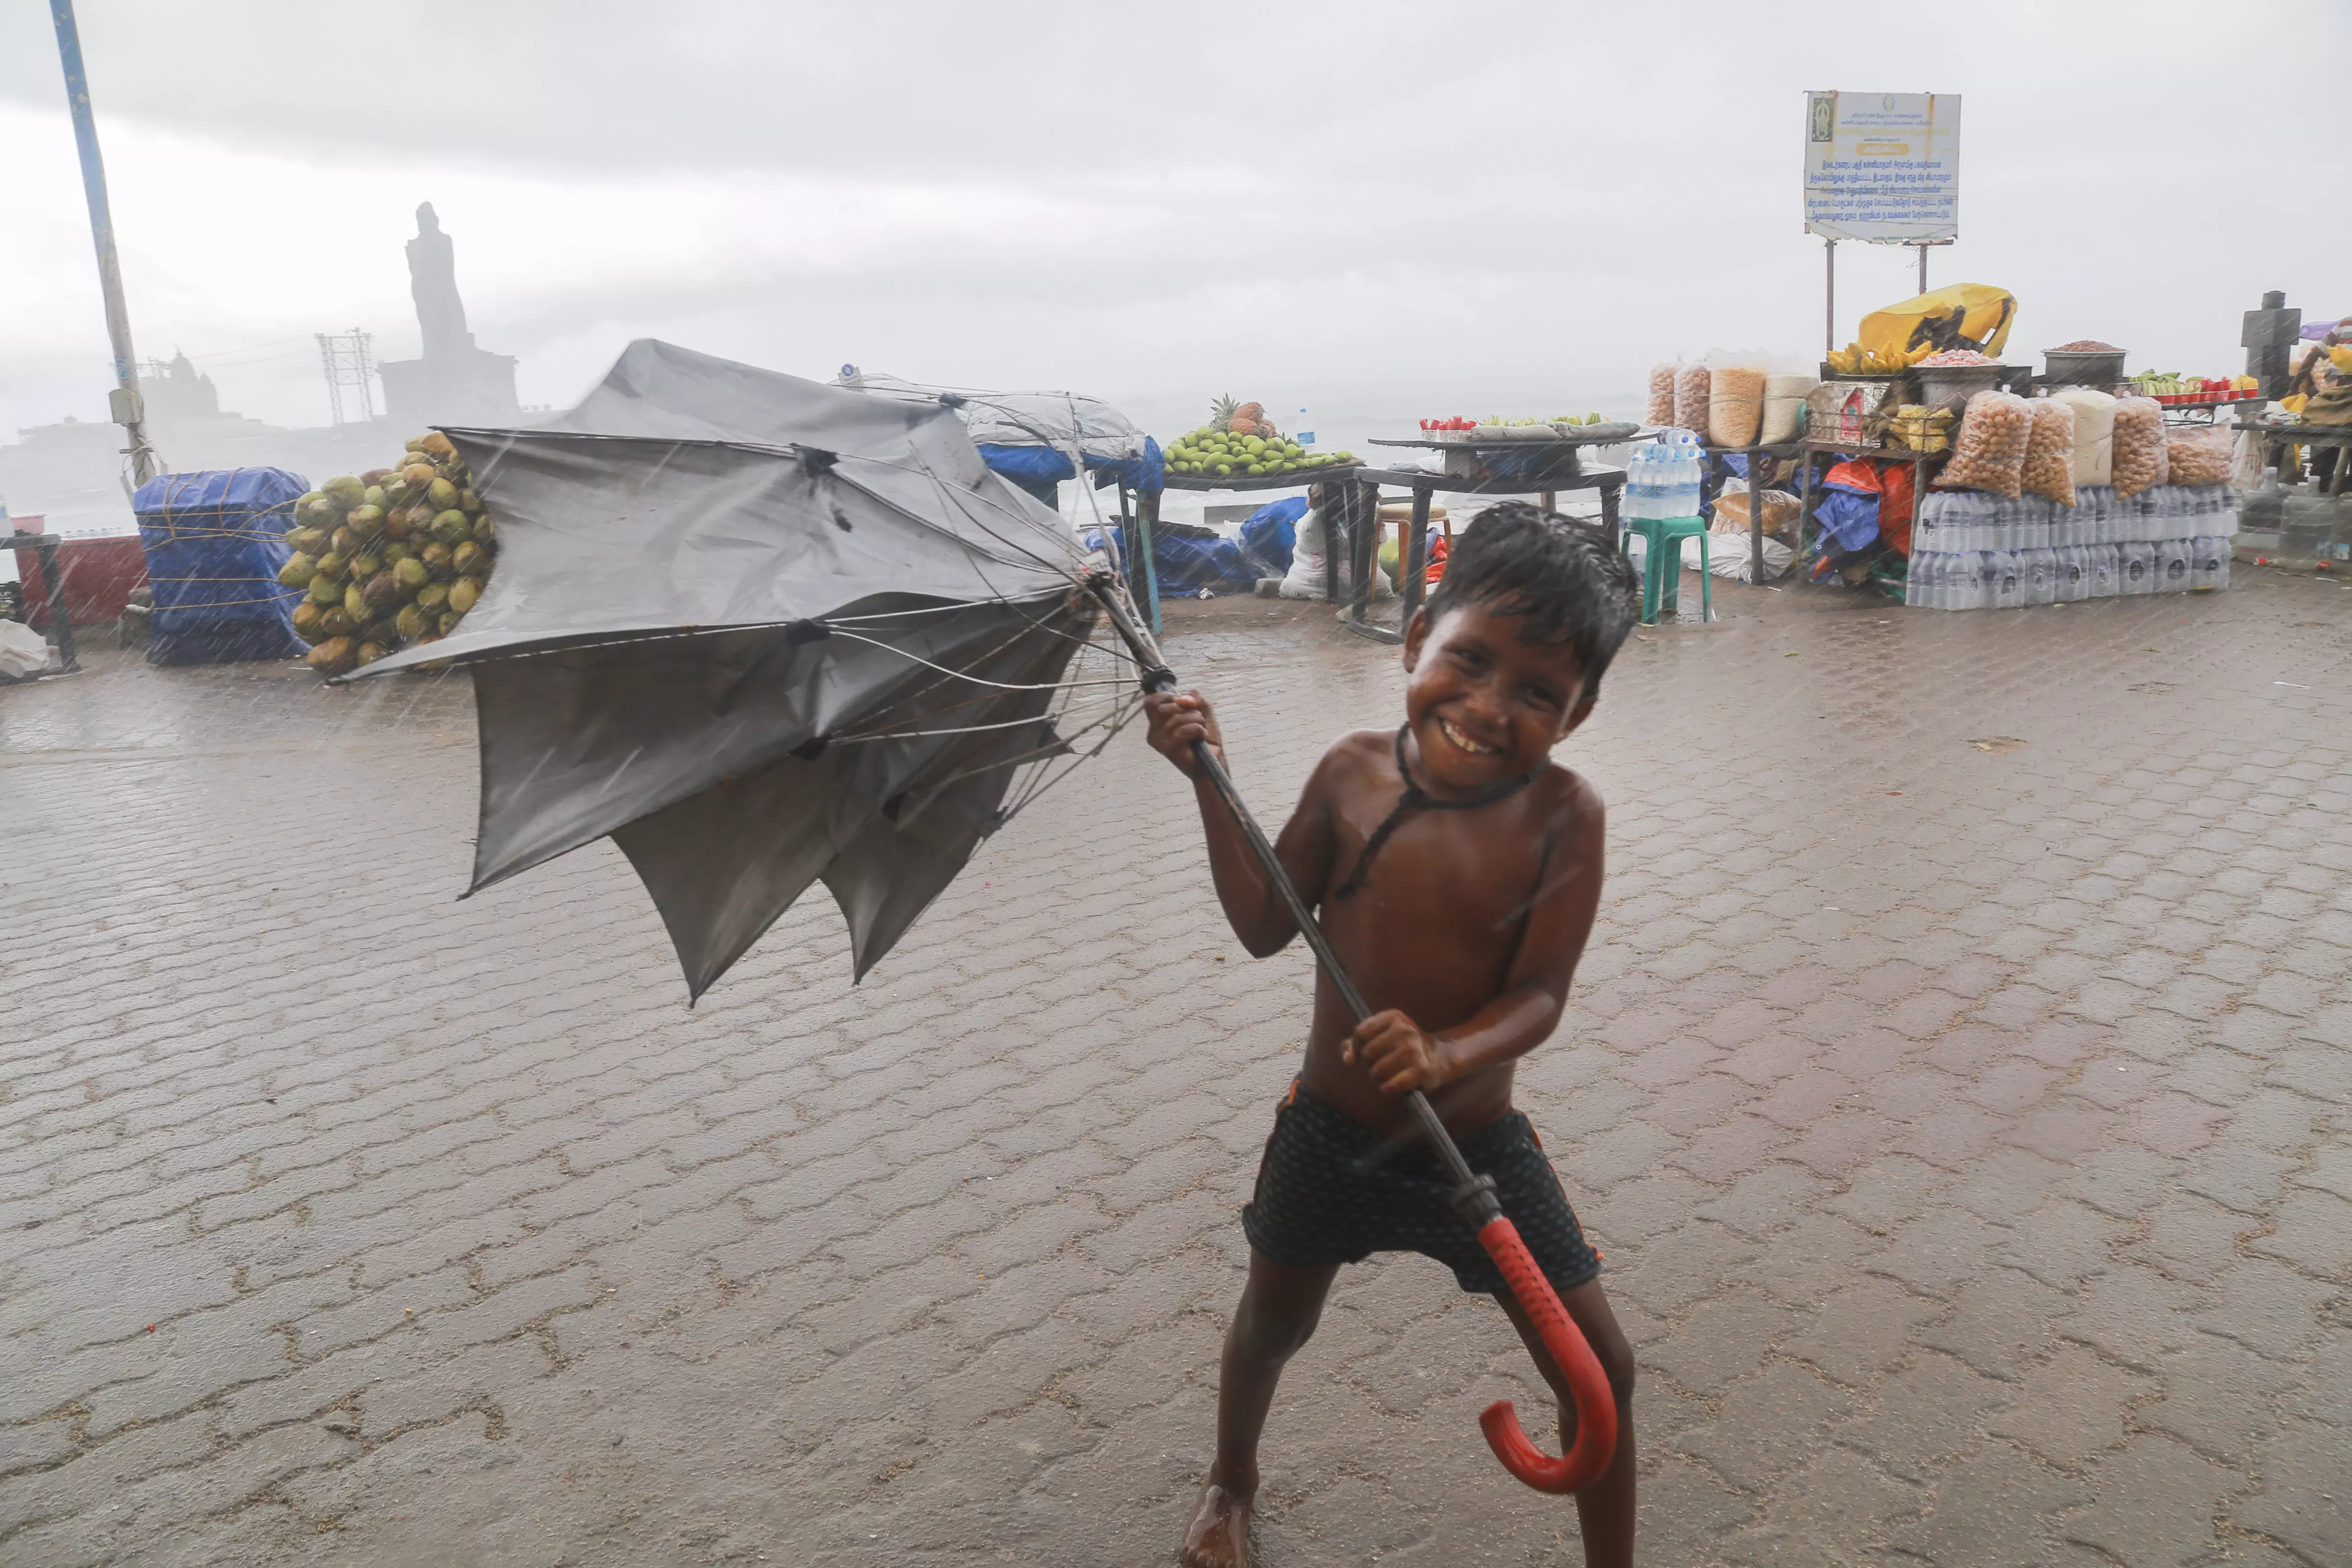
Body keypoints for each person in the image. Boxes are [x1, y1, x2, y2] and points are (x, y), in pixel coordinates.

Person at [1143, 503, 1642, 1568]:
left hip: (1476, 1153)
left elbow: (1542, 996)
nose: (1487, 705)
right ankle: (1231, 1483)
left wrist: (1452, 1052)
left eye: (1537, 692)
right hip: (1330, 1131)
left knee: (1601, 1369)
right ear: (1418, 639)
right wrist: (1206, 784)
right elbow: (1264, 925)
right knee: (1272, 1325)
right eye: (1469, 659)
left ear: (1581, 710)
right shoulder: (1350, 773)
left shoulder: (1567, 816)